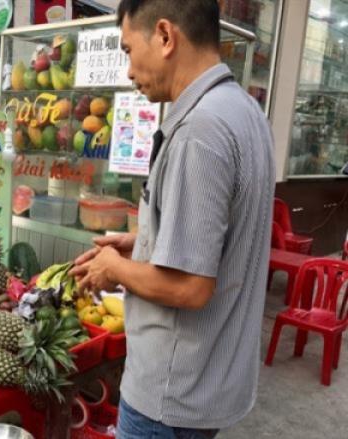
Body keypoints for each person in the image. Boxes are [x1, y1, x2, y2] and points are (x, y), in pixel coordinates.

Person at [69, 1, 275, 438]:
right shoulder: (245, 111)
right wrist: (142, 242)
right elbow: (220, 236)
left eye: (127, 50)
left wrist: (115, 268)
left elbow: (191, 286)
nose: (128, 71)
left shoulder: (199, 132)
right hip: (211, 382)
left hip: (170, 397)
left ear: (164, 36)